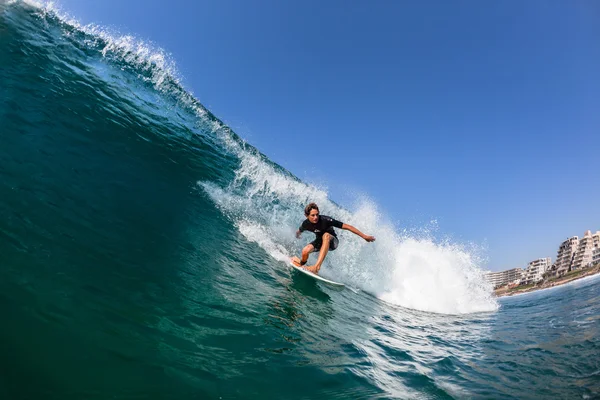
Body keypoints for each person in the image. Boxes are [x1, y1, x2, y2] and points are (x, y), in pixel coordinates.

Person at [291, 202, 375, 274]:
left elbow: (347, 226)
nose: (316, 217)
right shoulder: (306, 224)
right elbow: (300, 230)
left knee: (326, 235)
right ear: (306, 215)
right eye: (312, 215)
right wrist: (297, 234)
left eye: (317, 214)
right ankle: (301, 263)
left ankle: (316, 267)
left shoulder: (326, 220)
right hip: (320, 241)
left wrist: (364, 236)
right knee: (305, 251)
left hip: (332, 242)